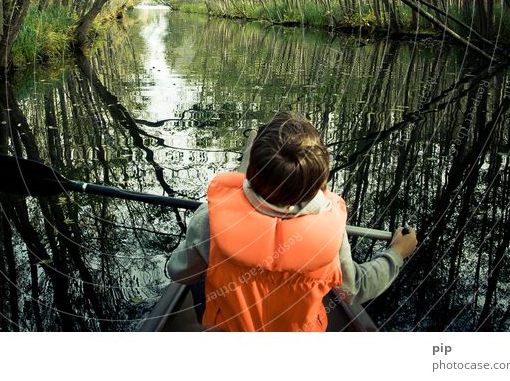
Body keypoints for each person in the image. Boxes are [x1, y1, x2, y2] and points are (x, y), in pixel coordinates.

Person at [167, 111, 418, 332]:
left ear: (252, 172)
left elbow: (179, 272)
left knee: (203, 277)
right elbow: (355, 289)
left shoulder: (211, 219)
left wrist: (210, 215)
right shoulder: (330, 234)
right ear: (320, 184)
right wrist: (396, 253)